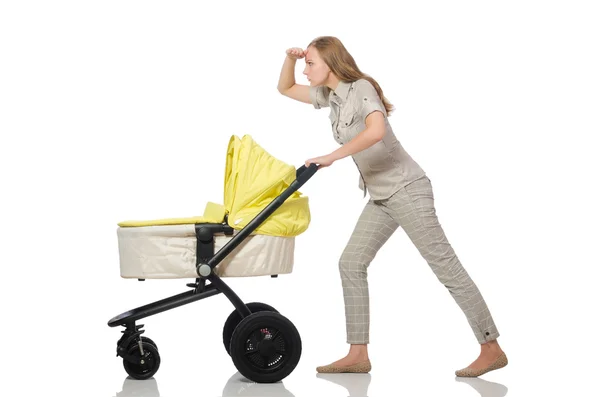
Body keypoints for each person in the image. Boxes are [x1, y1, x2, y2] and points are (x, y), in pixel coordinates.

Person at [276, 36, 507, 377]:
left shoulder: (361, 88)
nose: (307, 71)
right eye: (306, 64)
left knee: (446, 268)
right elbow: (285, 88)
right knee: (351, 262)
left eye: (311, 64)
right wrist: (290, 59)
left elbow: (376, 130)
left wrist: (331, 158)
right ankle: (357, 354)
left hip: (407, 189)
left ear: (331, 64)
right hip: (382, 196)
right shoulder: (331, 96)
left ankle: (492, 348)